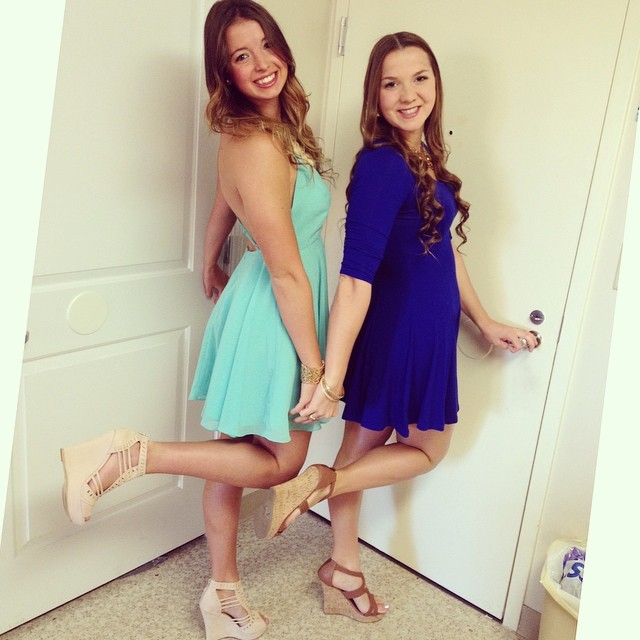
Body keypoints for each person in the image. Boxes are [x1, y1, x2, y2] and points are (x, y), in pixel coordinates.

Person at [59, 2, 331, 639]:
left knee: (230, 456)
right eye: (241, 56)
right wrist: (318, 368)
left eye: (266, 46)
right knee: (282, 461)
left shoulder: (266, 128)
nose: (261, 64)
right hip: (277, 311)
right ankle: (133, 454)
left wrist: (210, 261)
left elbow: (223, 206)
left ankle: (222, 597)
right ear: (224, 71)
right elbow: (288, 273)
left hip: (265, 298)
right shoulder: (256, 143)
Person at [253, 31, 537, 623]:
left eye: (420, 79)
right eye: (391, 84)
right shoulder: (383, 164)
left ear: (436, 84)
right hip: (401, 331)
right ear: (374, 96)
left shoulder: (421, 157)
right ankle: (322, 484)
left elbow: (444, 250)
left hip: (424, 329)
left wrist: (484, 320)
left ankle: (342, 568)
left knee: (360, 451)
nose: (408, 95)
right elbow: (356, 279)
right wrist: (329, 377)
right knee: (427, 449)